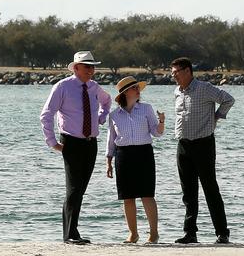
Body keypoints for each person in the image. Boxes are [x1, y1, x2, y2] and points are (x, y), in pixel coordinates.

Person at [40, 51, 112, 244]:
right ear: (76, 68)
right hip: (71, 142)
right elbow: (46, 115)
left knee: (80, 189)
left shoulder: (95, 87)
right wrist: (52, 142)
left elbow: (107, 101)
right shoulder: (62, 87)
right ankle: (69, 234)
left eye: (93, 67)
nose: (91, 70)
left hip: (91, 144)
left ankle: (73, 232)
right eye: (87, 66)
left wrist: (101, 118)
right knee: (73, 189)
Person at [170, 57, 235, 244]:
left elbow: (228, 100)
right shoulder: (177, 91)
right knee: (188, 192)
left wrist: (216, 117)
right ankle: (190, 233)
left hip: (203, 144)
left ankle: (222, 233)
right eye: (172, 72)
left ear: (188, 71)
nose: (173, 76)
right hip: (182, 146)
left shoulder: (204, 88)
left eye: (176, 72)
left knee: (210, 189)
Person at [105, 76, 165, 244]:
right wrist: (108, 161)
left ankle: (154, 234)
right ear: (125, 93)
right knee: (128, 197)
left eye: (138, 88)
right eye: (134, 88)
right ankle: (133, 234)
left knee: (147, 195)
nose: (138, 90)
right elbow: (111, 140)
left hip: (144, 153)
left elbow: (157, 133)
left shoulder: (146, 109)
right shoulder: (114, 115)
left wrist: (161, 121)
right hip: (123, 155)